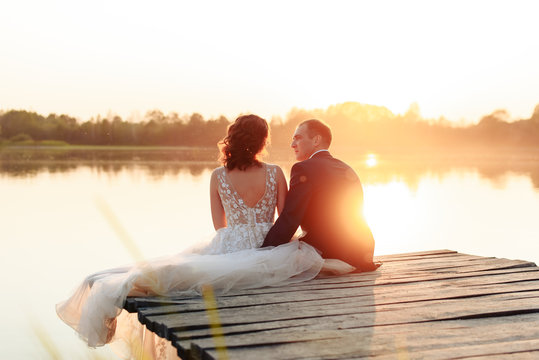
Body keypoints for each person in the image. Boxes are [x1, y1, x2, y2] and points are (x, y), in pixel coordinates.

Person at [56, 115, 354, 358]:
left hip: (231, 241)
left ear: (233, 139)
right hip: (269, 240)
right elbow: (285, 217)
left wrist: (239, 236)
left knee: (188, 265)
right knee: (201, 273)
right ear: (263, 142)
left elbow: (218, 225)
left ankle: (117, 289)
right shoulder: (276, 172)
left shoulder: (217, 176)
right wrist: (266, 246)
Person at [262, 119, 379, 271]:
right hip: (362, 250)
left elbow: (290, 218)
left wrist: (264, 251)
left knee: (282, 261)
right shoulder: (346, 167)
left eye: (298, 138)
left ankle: (329, 264)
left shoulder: (303, 168)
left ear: (316, 140)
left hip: (333, 250)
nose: (292, 145)